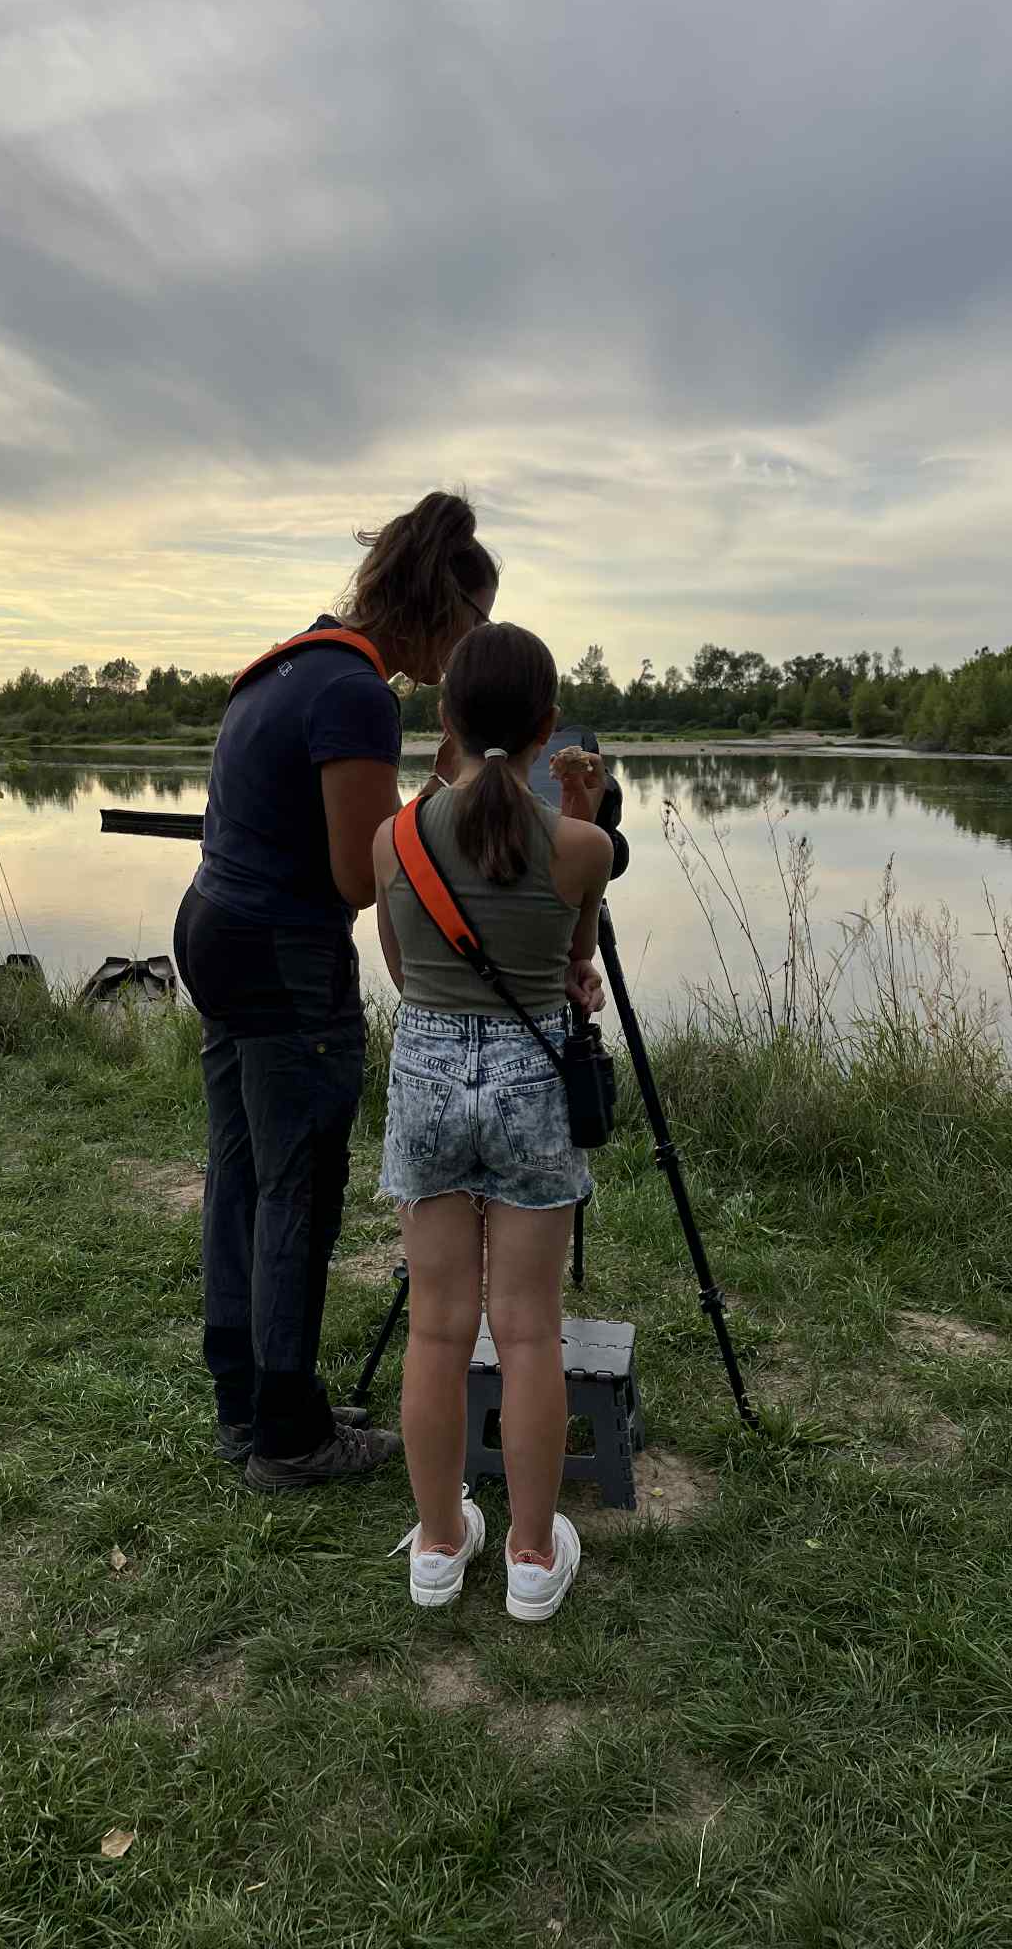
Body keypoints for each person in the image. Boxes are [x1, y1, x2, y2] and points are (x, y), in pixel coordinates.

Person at [173, 491, 499, 1492]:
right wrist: (448, 792)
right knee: (299, 1190)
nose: (474, 648)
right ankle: (288, 1435)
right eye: (476, 622)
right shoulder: (356, 694)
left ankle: (255, 1395)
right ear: (441, 604)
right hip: (282, 954)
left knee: (241, 1172)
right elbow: (363, 874)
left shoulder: (291, 663)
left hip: (216, 929)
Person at [373, 623, 614, 1621]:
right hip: (530, 1081)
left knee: (435, 1329)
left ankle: (438, 1544)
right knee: (527, 1332)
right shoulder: (584, 847)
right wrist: (586, 808)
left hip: (427, 1067)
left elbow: (400, 971)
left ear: (445, 719)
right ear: (548, 727)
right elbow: (574, 964)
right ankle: (527, 1554)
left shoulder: (392, 836)